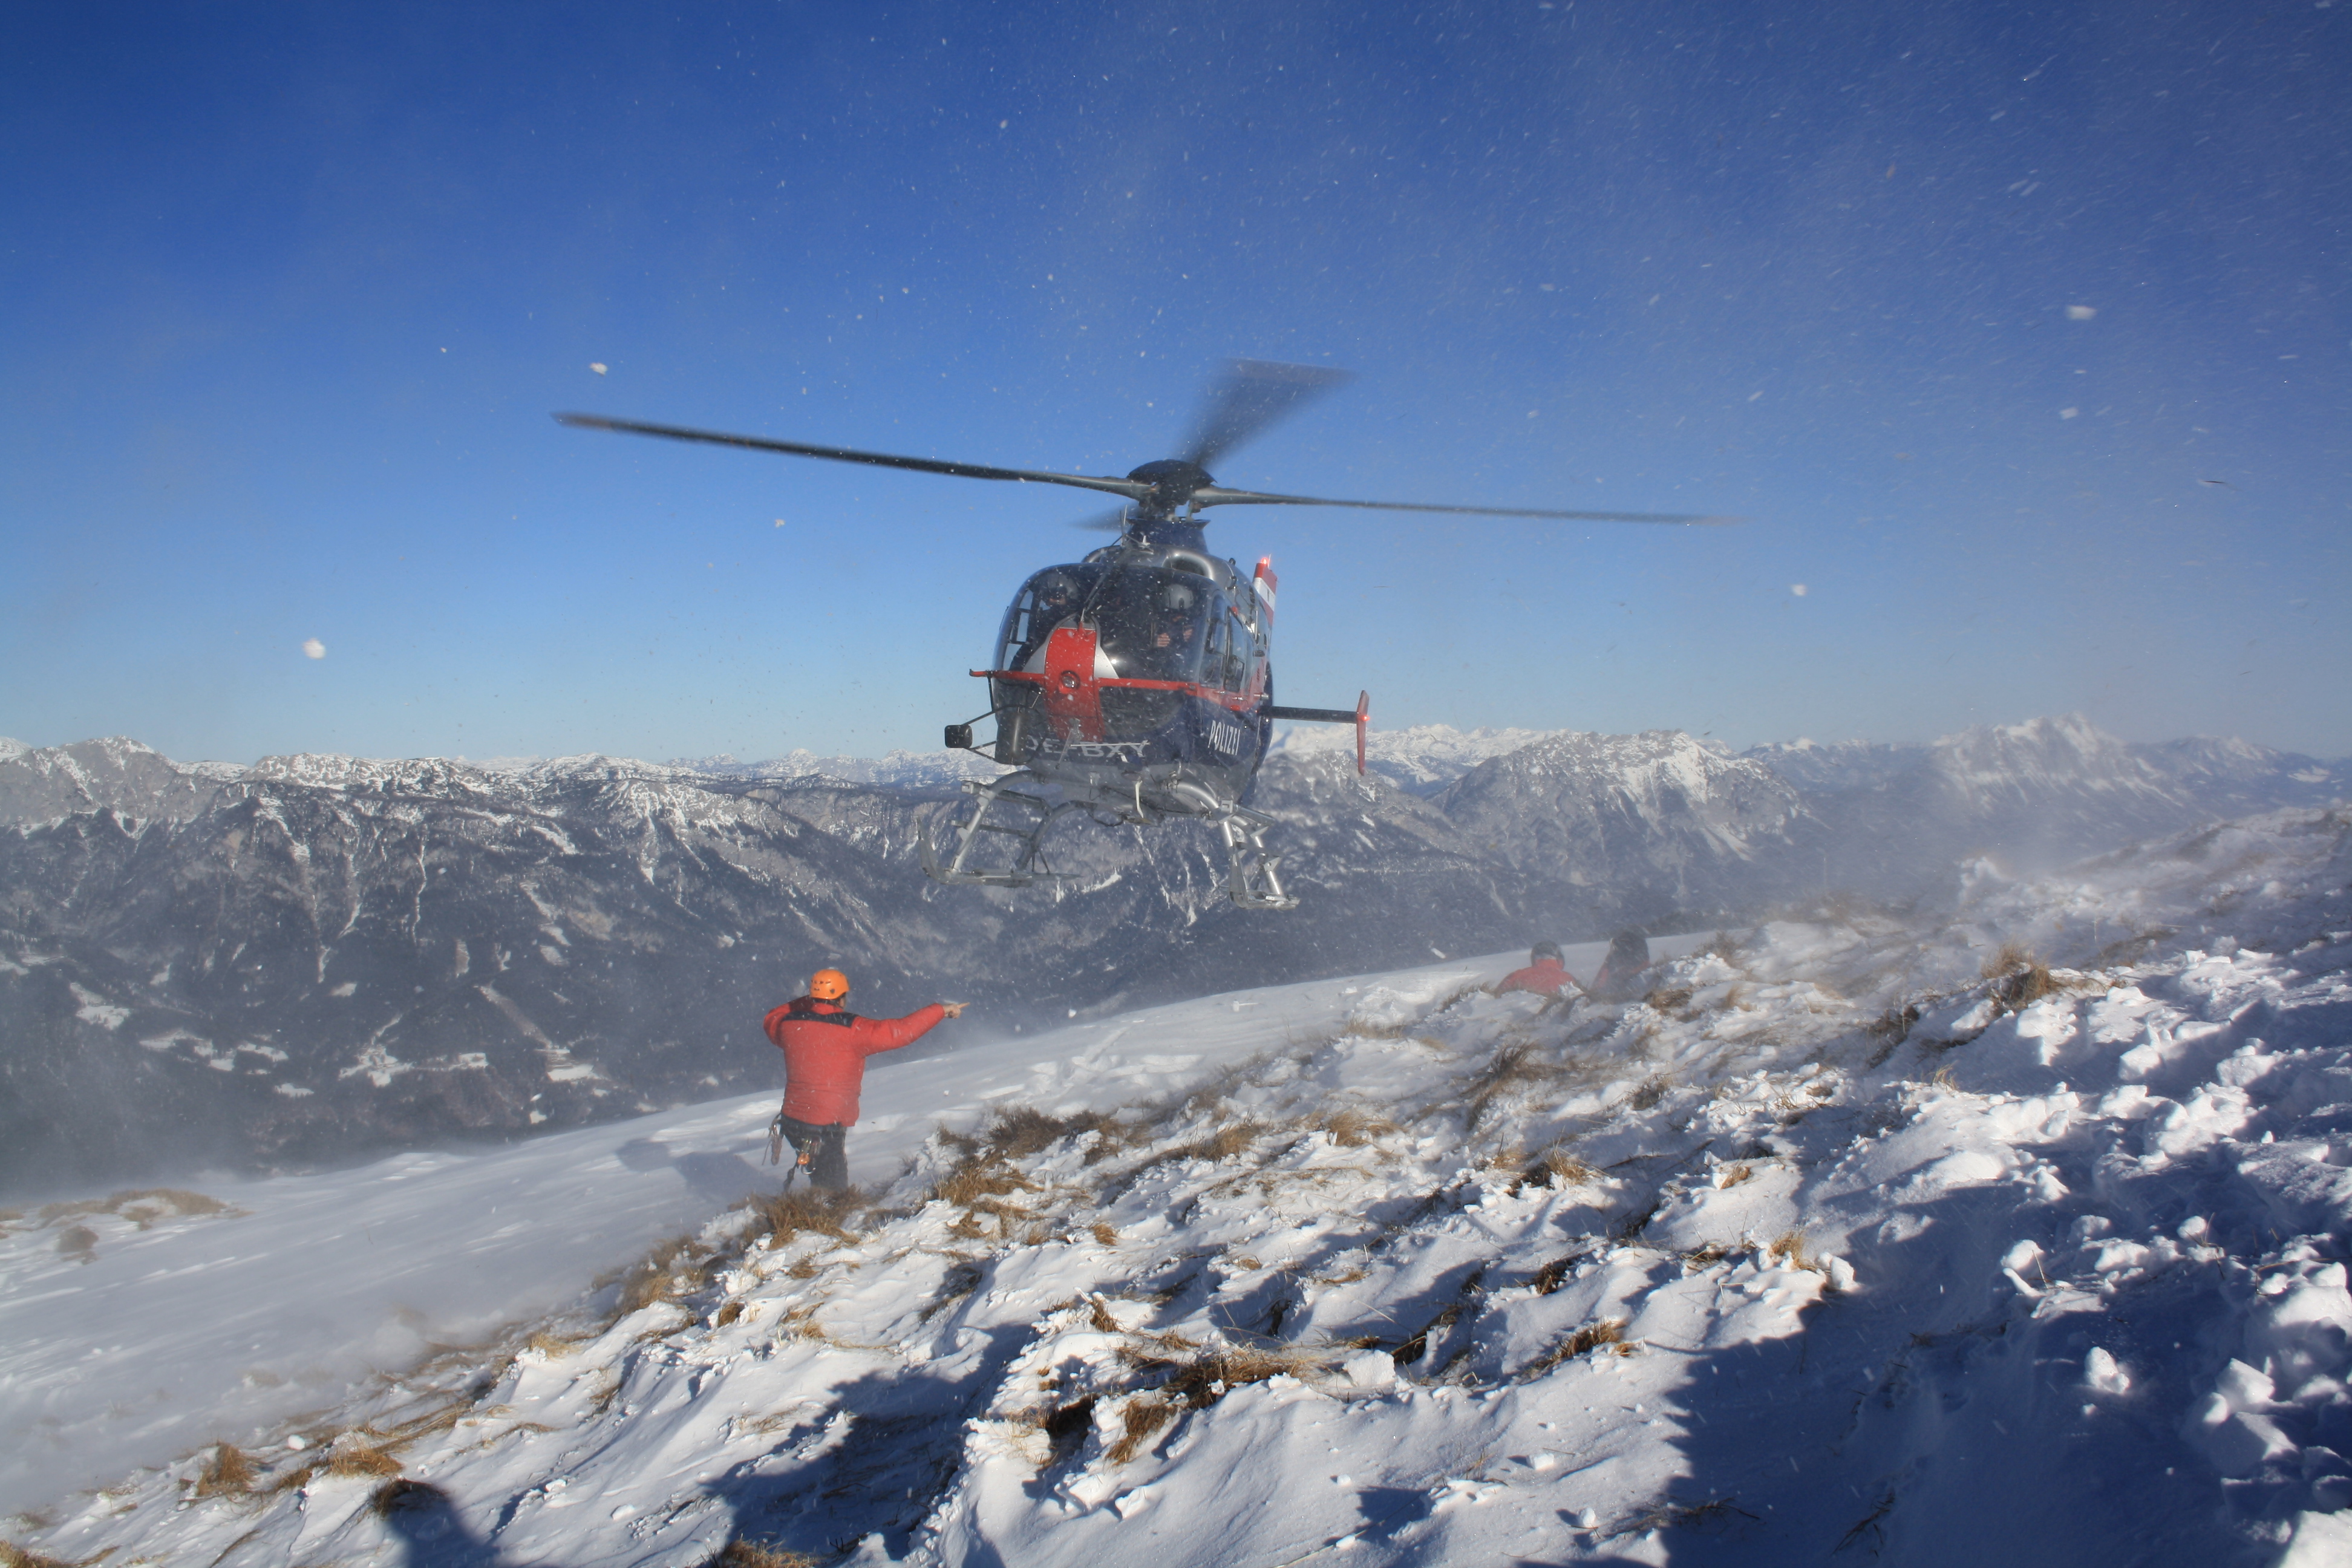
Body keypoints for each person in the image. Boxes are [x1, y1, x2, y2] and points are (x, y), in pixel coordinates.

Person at [763, 968, 967, 1189]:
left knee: (820, 1174)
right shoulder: (853, 1029)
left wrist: (811, 1002)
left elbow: (772, 1018)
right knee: (833, 1192)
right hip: (826, 1124)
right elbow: (900, 1032)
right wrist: (940, 1011)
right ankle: (819, 1218)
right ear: (841, 998)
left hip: (792, 1122)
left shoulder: (789, 1025)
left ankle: (810, 1212)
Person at [1494, 940, 1579, 999]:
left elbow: (1494, 999)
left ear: (1533, 959)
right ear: (1560, 960)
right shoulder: (1569, 979)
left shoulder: (1516, 976)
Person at [1589, 930, 1653, 1003]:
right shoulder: (1617, 954)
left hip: (1635, 973)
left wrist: (1629, 973)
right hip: (1628, 971)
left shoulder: (1637, 953)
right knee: (1613, 977)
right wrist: (1594, 988)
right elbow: (1605, 968)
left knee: (1617, 979)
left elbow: (1645, 963)